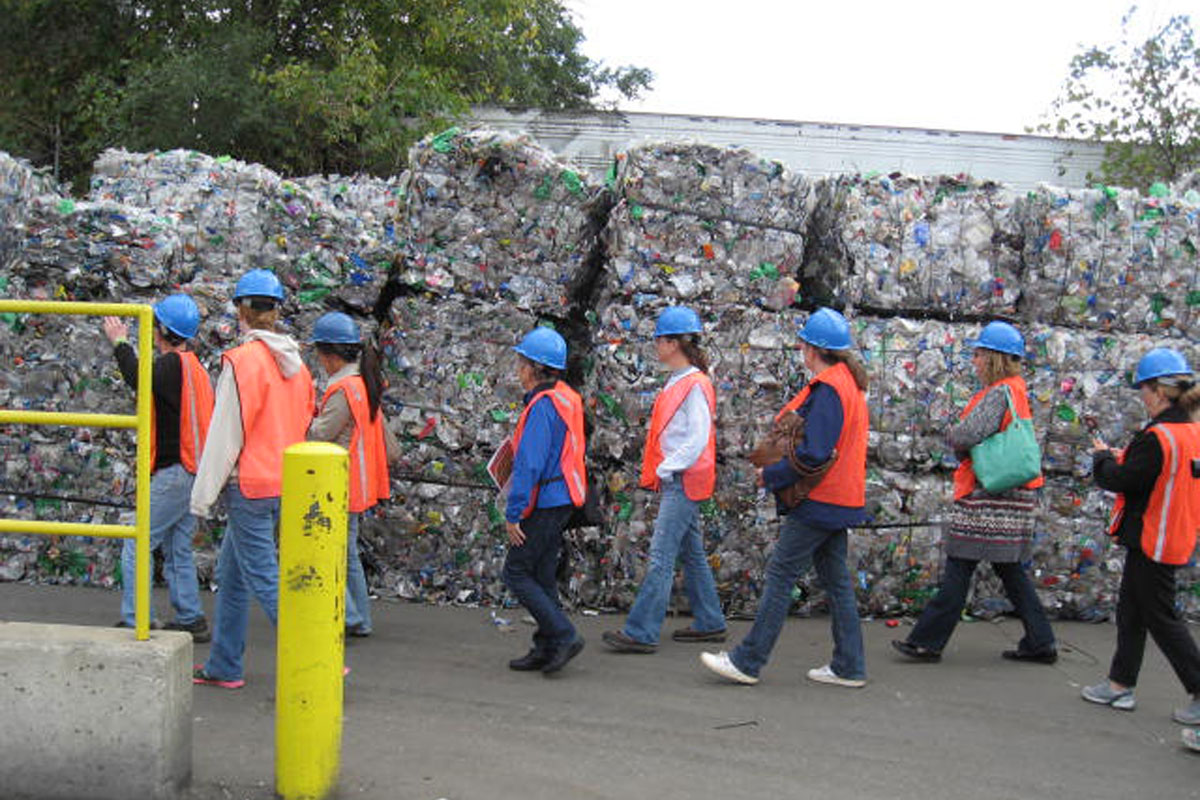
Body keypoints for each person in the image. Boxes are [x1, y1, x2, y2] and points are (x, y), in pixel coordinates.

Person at [700, 307, 869, 688]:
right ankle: (849, 665)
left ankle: (748, 660)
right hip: (842, 498)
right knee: (837, 581)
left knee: (780, 574)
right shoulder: (850, 383)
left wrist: (772, 474)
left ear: (811, 349)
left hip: (820, 499)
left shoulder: (829, 388)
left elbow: (815, 452)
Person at [892, 321, 1057, 664]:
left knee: (959, 564)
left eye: (980, 354)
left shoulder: (999, 393)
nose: (975, 361)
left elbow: (966, 435)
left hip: (988, 498)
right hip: (1013, 498)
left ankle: (927, 641)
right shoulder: (1017, 390)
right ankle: (1041, 642)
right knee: (1010, 570)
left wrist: (953, 435)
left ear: (996, 358)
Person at [192, 269, 315, 689]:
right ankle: (225, 664)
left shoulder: (242, 362)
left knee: (264, 577)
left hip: (248, 485)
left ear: (239, 309)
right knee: (233, 576)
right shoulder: (299, 368)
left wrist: (202, 496)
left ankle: (318, 659)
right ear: (277, 310)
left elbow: (226, 433)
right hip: (283, 483)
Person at [1082, 347, 1200, 722]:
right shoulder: (1189, 432)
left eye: (1144, 391)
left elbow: (1123, 480)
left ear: (1161, 391)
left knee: (1162, 618)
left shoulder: (1159, 437)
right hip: (1170, 531)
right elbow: (1159, 473)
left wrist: (1102, 459)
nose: (1143, 399)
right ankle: (1120, 685)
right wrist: (1127, 457)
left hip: (1155, 536)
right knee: (1131, 611)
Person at [603, 306, 725, 653]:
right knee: (691, 552)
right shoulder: (680, 381)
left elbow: (698, 436)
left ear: (674, 343)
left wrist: (667, 467)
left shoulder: (695, 384)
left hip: (684, 479)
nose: (655, 344)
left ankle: (641, 631)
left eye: (659, 338)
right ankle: (710, 620)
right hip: (681, 477)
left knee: (661, 556)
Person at [103, 294, 213, 641]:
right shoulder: (196, 368)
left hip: (173, 471)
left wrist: (119, 342)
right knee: (178, 547)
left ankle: (139, 617)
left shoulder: (169, 367)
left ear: (161, 329)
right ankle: (191, 618)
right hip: (194, 470)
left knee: (137, 542)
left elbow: (139, 378)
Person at [308, 311, 400, 639]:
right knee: (348, 553)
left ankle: (351, 615)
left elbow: (319, 434)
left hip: (339, 484)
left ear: (330, 355)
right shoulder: (363, 385)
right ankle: (360, 617)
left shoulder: (343, 390)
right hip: (359, 483)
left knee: (333, 551)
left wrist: (301, 415)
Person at [503, 327, 588, 676]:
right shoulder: (566, 396)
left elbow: (530, 465)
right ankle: (546, 645)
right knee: (542, 573)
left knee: (517, 572)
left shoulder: (542, 407)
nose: (518, 369)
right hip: (563, 496)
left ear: (534, 368)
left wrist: (514, 513)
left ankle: (565, 635)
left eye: (521, 362)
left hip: (547, 500)